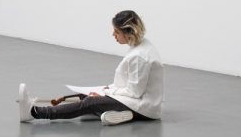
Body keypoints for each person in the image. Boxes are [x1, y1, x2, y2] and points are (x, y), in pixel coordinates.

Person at [16, 10, 162, 125]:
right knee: (86, 96)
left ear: (129, 32)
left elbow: (135, 93)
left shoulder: (139, 57)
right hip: (134, 99)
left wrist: (108, 92)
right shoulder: (140, 46)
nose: (113, 34)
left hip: (143, 108)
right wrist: (107, 91)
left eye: (117, 32)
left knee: (91, 102)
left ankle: (34, 112)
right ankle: (118, 114)